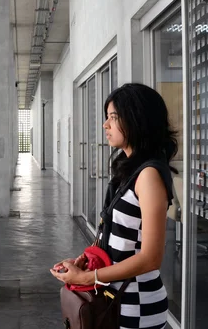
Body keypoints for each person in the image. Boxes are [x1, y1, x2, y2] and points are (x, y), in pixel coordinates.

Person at [50, 83, 177, 329]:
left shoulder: (149, 175)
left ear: (136, 120)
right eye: (106, 117)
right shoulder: (130, 170)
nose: (105, 125)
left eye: (113, 118)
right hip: (117, 298)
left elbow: (151, 258)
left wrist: (87, 277)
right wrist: (86, 261)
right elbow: (122, 238)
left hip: (136, 303)